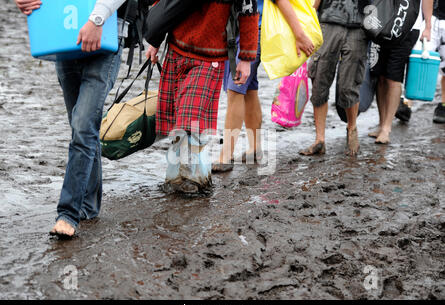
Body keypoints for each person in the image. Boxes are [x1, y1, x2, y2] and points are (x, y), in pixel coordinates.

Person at [15, 0, 128, 238]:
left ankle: (68, 214)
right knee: (83, 130)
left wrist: (97, 19)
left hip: (104, 38)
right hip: (64, 39)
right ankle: (88, 206)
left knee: (82, 126)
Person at [145, 0, 259, 192]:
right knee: (177, 124)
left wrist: (246, 58)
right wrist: (154, 42)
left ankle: (196, 180)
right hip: (176, 49)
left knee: (191, 121)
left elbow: (248, 12)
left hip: (210, 56)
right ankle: (175, 179)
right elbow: (165, 6)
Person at [212, 0, 315, 173]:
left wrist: (299, 34)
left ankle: (226, 156)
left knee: (235, 89)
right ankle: (254, 149)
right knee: (249, 90)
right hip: (241, 28)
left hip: (254, 29)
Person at [299, 0, 368, 156]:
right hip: (328, 21)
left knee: (349, 85)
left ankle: (352, 129)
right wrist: (305, 19)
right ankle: (319, 140)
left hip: (359, 25)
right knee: (319, 80)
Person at [368, 0, 433, 144]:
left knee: (393, 76)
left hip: (408, 27)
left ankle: (387, 128)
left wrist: (428, 26)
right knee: (381, 76)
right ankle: (381, 123)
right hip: (383, 22)